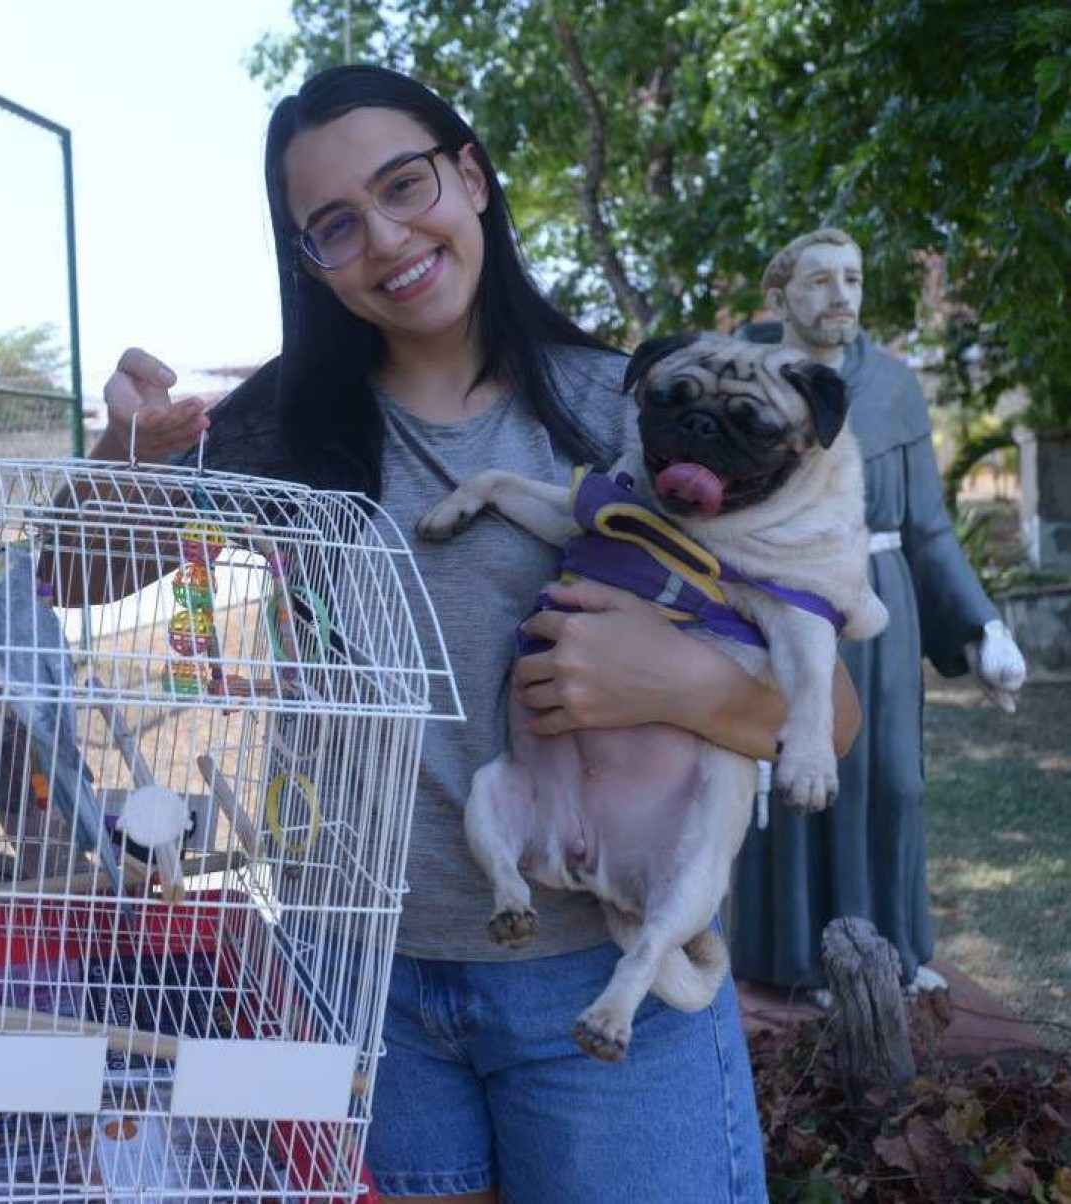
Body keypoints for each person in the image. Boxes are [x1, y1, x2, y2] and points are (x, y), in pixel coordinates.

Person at [81, 65, 864, 1204]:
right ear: (308, 261)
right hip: (359, 976)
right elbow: (77, 574)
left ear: (473, 177)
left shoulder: (640, 410)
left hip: (597, 971)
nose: (388, 236)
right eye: (334, 225)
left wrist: (676, 681)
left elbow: (827, 712)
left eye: (406, 185)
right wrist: (124, 460)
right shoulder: (276, 426)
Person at [730, 227, 1025, 995]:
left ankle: (897, 947)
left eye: (853, 280)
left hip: (883, 603)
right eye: (821, 281)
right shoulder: (746, 380)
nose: (841, 297)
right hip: (791, 598)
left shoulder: (893, 386)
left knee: (895, 780)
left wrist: (983, 626)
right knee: (809, 781)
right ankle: (809, 961)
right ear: (782, 293)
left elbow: (929, 526)